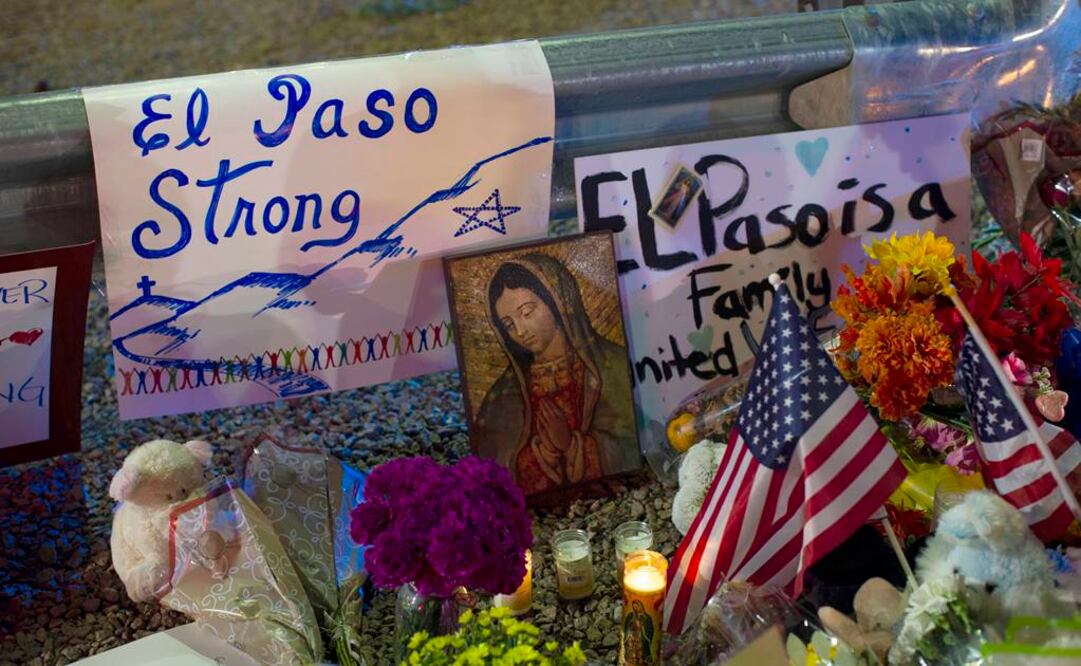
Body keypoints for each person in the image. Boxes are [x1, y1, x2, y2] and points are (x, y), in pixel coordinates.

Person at [472, 253, 637, 496]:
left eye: (527, 312)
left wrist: (572, 445)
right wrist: (546, 452)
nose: (519, 331)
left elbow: (632, 445)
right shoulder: (502, 396)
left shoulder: (613, 365)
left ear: (557, 302)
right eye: (508, 324)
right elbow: (492, 473)